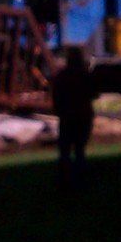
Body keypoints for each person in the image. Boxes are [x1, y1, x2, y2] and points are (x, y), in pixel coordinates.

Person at [49, 46, 96, 188]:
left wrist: (58, 110)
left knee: (65, 150)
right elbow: (93, 93)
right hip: (83, 115)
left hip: (67, 116)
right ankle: (80, 178)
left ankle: (64, 180)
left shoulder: (62, 76)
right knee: (80, 149)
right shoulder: (85, 75)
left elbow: (56, 96)